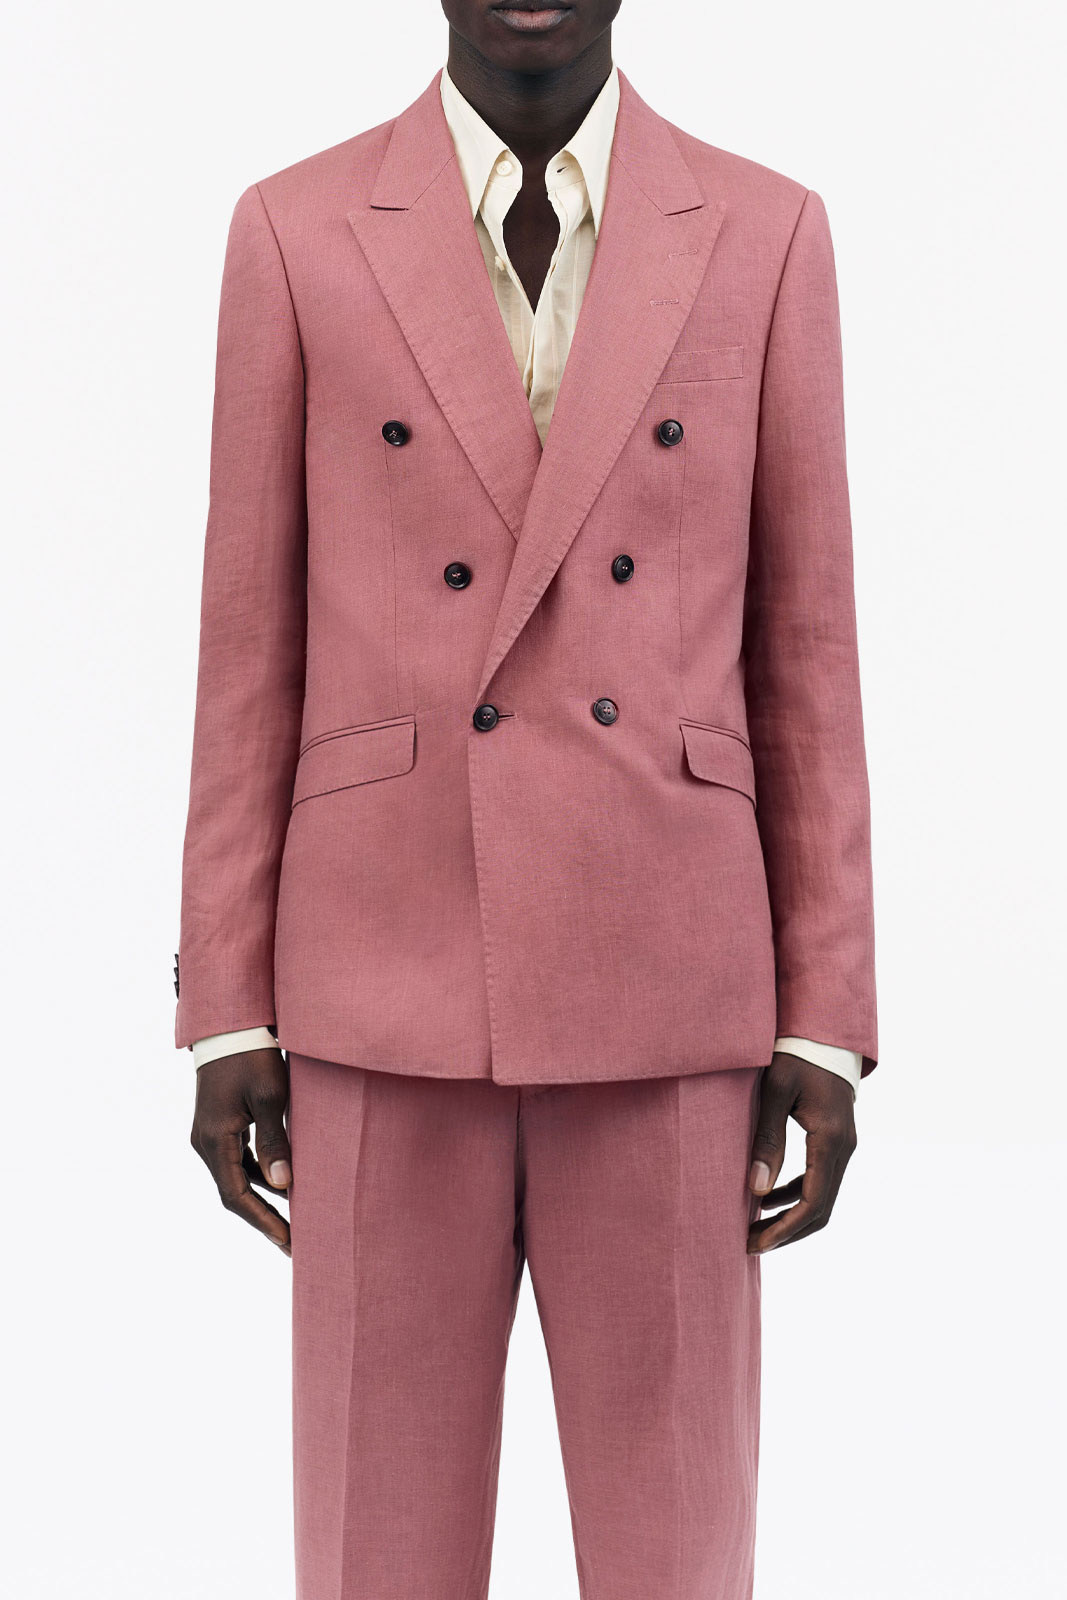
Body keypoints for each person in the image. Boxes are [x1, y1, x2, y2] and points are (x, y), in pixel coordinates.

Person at [177, 2, 877, 1594]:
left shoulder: (767, 232)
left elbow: (809, 648)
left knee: (677, 1554)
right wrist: (225, 1010)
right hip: (380, 976)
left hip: (671, 981)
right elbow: (247, 646)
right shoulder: (293, 231)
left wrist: (827, 1015)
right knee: (374, 1550)